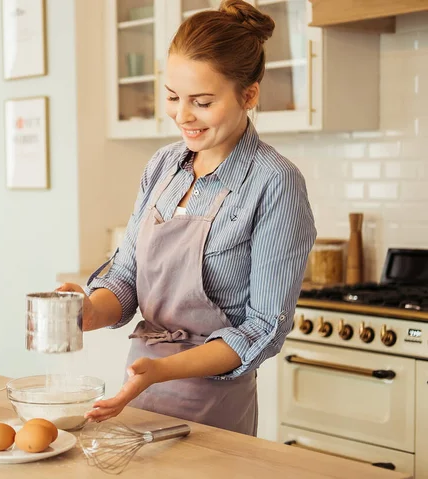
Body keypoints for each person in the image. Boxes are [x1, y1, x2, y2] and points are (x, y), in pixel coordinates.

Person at [56, 0, 317, 436]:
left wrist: (161, 370)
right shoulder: (162, 166)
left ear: (248, 94)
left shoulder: (274, 183)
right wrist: (85, 312)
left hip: (214, 405)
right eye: (173, 97)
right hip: (135, 395)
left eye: (202, 101)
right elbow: (126, 275)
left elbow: (262, 329)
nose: (182, 116)